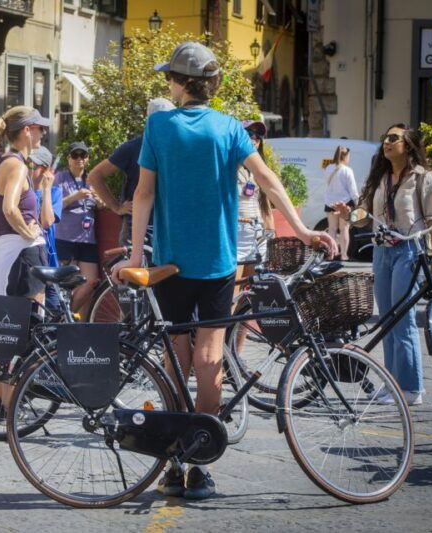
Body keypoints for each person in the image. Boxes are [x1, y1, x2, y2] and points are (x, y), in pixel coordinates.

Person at [111, 41, 337, 500]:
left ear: (178, 82)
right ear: (210, 85)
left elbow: (144, 196)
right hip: (218, 260)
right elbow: (268, 182)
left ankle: (172, 460)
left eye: (169, 78)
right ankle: (198, 462)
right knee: (210, 357)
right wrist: (302, 229)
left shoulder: (159, 126)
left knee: (176, 355)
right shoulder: (230, 128)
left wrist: (136, 258)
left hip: (170, 262)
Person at [356, 124, 432, 406]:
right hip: (382, 252)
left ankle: (412, 387)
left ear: (409, 145)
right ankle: (392, 383)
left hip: (408, 250)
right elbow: (364, 217)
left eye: (394, 138)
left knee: (402, 320)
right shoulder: (380, 178)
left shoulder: (422, 178)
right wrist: (349, 214)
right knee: (387, 320)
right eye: (385, 137)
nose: (387, 142)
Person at [89, 97, 176, 245]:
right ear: (151, 121)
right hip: (138, 227)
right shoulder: (134, 147)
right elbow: (95, 176)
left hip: (168, 225)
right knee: (134, 266)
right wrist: (116, 207)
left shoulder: (176, 147)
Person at [0, 106, 49, 299]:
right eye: (40, 127)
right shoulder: (17, 166)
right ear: (27, 130)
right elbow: (10, 208)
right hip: (24, 251)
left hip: (4, 251)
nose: (44, 132)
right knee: (34, 322)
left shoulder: (2, 161)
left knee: (5, 324)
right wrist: (27, 232)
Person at [54, 142, 101, 317]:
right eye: (75, 156)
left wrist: (99, 199)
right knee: (66, 285)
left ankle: (71, 319)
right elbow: (56, 205)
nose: (79, 159)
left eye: (83, 155)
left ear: (87, 159)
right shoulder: (61, 177)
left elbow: (101, 205)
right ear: (69, 159)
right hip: (66, 237)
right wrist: (77, 196)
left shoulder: (92, 179)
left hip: (88, 239)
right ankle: (62, 319)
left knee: (90, 283)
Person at [235, 120, 275, 275]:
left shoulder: (259, 170)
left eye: (258, 137)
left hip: (258, 231)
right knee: (235, 284)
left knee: (254, 284)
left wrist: (271, 231)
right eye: (249, 134)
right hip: (237, 230)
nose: (254, 139)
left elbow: (265, 202)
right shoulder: (229, 165)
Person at [29, 146, 63, 312]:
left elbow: (47, 221)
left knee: (55, 311)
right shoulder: (21, 191)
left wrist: (47, 189)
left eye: (33, 167)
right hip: (29, 262)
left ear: (45, 170)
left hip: (49, 263)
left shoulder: (55, 192)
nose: (29, 171)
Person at [323, 145, 358, 261]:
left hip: (330, 203)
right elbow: (353, 190)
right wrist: (358, 203)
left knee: (332, 229)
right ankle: (344, 255)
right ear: (345, 156)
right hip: (345, 204)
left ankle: (331, 254)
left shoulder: (328, 168)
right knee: (344, 229)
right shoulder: (347, 170)